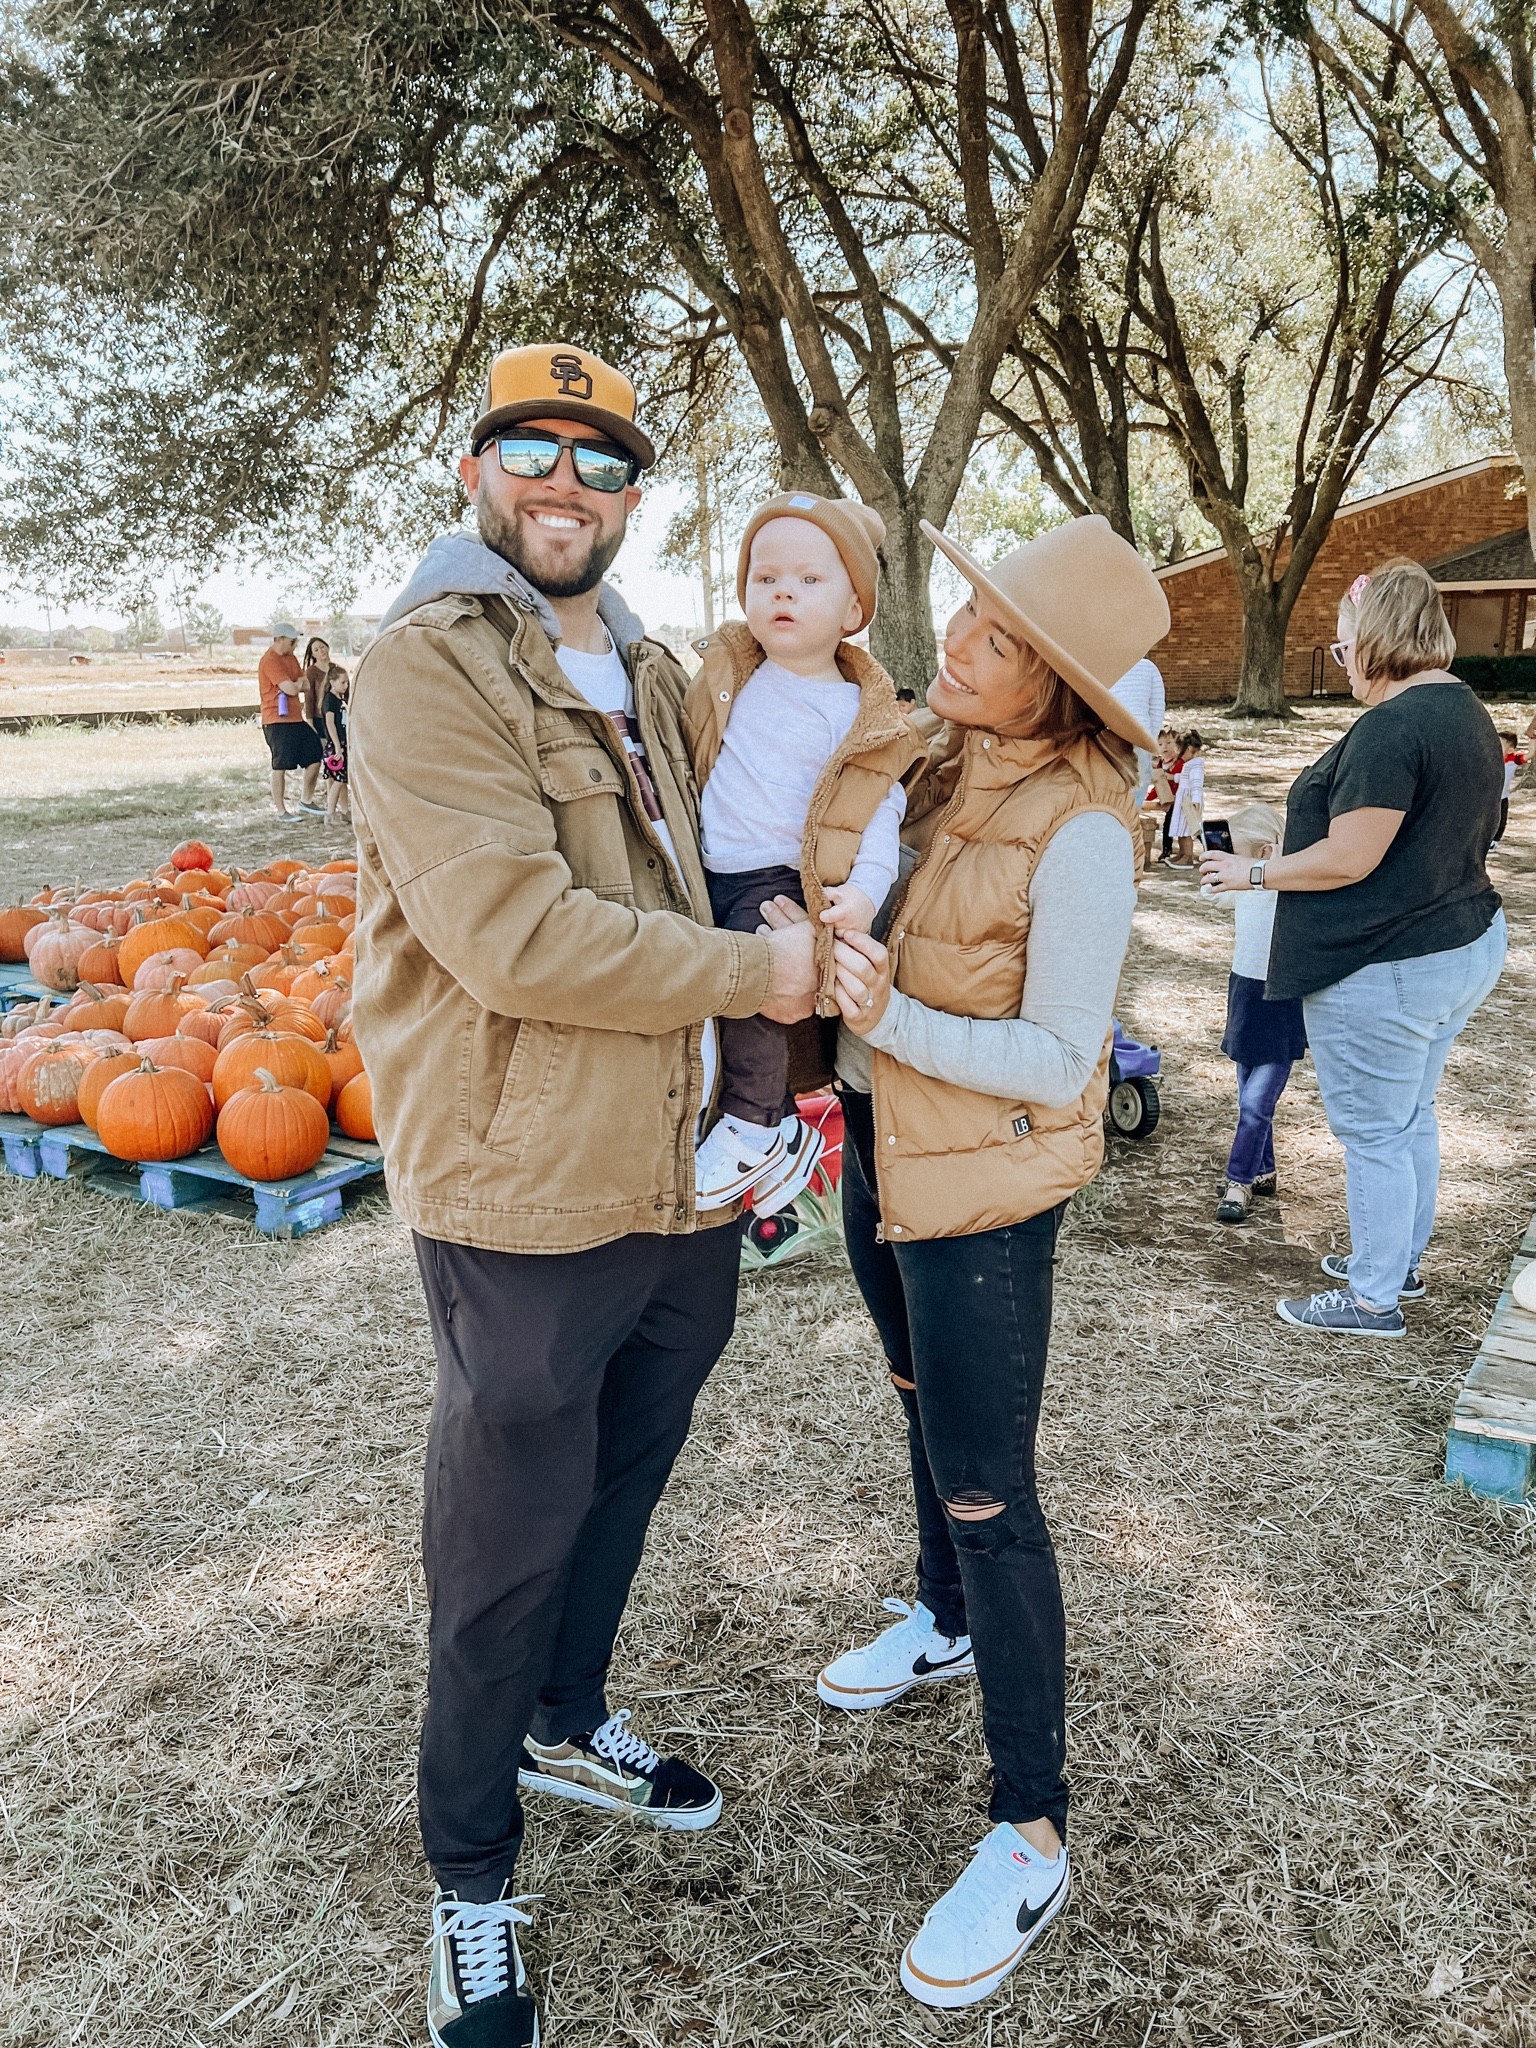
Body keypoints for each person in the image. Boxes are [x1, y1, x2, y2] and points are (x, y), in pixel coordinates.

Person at [347, 341, 817, 2048]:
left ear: (633, 496)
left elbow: (739, 847)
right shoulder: (425, 665)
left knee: (624, 1476)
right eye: (531, 450)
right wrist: (761, 975)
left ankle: (568, 1715)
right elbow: (515, 936)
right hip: (527, 1185)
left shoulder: (654, 666)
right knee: (502, 1538)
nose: (566, 483)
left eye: (601, 460)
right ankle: (471, 1872)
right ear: (475, 472)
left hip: (682, 1181)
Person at [796, 514, 1165, 2010]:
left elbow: (1064, 1058)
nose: (956, 640)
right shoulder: (942, 765)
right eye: (967, 612)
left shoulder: (1084, 830)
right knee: (916, 1404)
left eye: (997, 637)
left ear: (1058, 687)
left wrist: (887, 1018)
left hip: (983, 1200)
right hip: (883, 1155)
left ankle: (1032, 1829)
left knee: (991, 1494)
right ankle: (942, 1621)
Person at [1201, 560, 1506, 1337]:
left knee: (1375, 1134)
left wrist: (1253, 872)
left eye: (1344, 647)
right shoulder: (1465, 708)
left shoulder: (1392, 727)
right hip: (1458, 944)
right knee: (1410, 1117)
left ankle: (1373, 1298)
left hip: (1388, 963)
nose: (1343, 664)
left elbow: (1349, 858)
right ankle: (1396, 1262)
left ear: (1377, 638)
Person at [683, 493, 921, 1214]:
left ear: (853, 611)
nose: (782, 591)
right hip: (711, 868)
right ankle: (776, 1122)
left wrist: (866, 890)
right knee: (709, 998)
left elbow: (880, 806)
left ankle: (756, 1122)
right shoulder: (732, 675)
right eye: (766, 578)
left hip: (778, 877)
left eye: (809, 580)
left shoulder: (856, 715)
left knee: (753, 991)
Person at [1204, 802, 1307, 1224]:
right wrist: (1216, 861)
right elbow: (1211, 893)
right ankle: (1263, 1170)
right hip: (1245, 992)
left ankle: (1238, 1180)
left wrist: (1273, 865)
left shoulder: (1292, 886)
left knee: (1255, 1102)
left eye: (1236, 853)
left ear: (1264, 852)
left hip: (1282, 999)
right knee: (1248, 1091)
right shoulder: (1242, 887)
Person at [258, 623, 324, 819]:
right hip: (276, 721)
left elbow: (306, 685)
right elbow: (291, 689)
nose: (295, 645)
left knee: (315, 753)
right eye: (292, 641)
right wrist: (296, 684)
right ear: (279, 640)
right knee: (280, 765)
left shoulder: (291, 658)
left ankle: (306, 801)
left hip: (296, 718)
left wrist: (296, 685)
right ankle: (281, 811)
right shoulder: (270, 661)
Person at [1110, 653, 1166, 795]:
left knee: (1112, 787)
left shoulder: (1105, 666)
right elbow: (1157, 707)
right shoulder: (1149, 668)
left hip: (1110, 733)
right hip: (1141, 733)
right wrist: (1150, 739)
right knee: (1138, 785)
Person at [317, 662, 351, 825]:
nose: (346, 685)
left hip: (343, 743)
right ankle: (330, 813)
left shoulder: (340, 700)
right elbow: (330, 724)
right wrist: (337, 745)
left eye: (347, 682)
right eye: (342, 682)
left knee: (342, 779)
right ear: (332, 682)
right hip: (336, 746)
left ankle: (345, 810)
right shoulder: (329, 700)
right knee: (338, 780)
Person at [1166, 727, 1205, 866]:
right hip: (1183, 800)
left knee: (1187, 830)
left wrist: (1195, 799)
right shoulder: (1189, 765)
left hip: (1189, 801)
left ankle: (1188, 856)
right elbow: (1184, 778)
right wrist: (1172, 777)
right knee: (1180, 828)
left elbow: (1196, 784)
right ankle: (1182, 853)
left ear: (1188, 749)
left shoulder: (1196, 766)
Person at [1493, 730, 1524, 845]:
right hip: (1489, 797)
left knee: (1501, 819)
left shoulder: (1513, 760)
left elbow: (1529, 754)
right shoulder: (1490, 760)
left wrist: (1533, 737)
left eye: (1500, 745)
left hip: (1503, 796)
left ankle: (1495, 840)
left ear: (1510, 750)